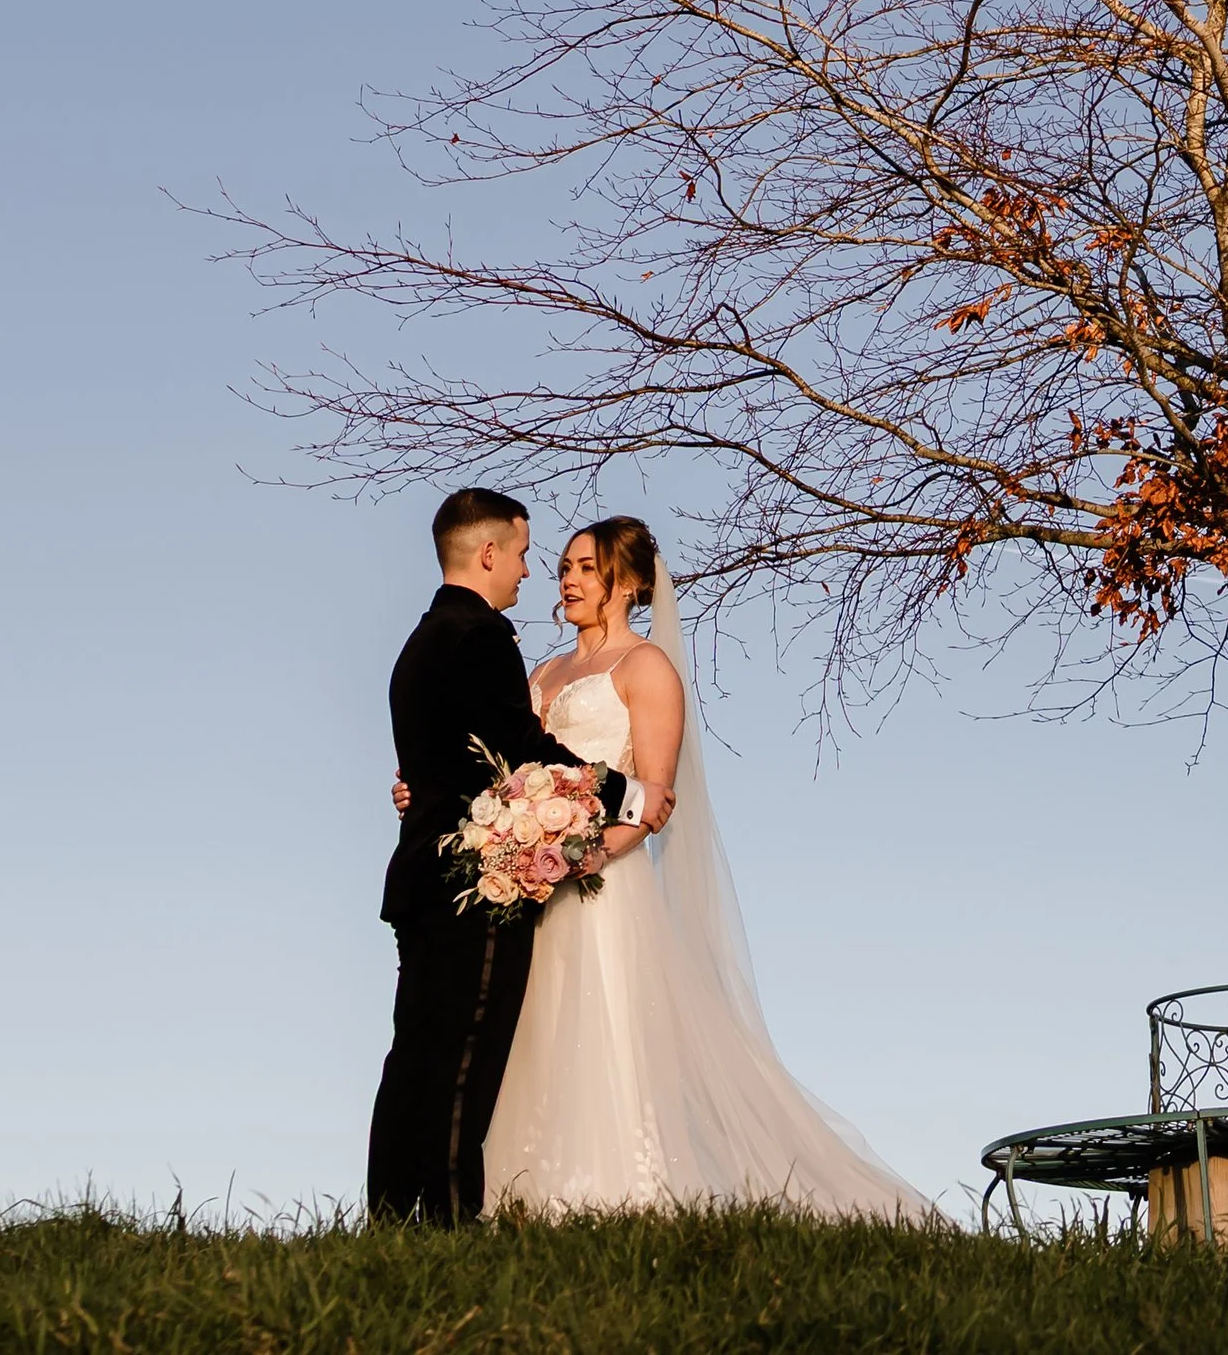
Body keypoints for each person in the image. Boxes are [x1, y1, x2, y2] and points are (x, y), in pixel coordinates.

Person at [478, 514, 928, 1216]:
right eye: (564, 565)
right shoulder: (543, 673)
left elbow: (655, 797)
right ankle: (518, 1198)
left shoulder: (646, 667)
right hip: (535, 884)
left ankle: (620, 1197)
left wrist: (576, 861)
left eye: (585, 567)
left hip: (600, 884)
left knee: (602, 1029)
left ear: (625, 583)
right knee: (532, 1034)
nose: (567, 579)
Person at [367, 487, 605, 1225]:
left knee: (413, 1056)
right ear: (489, 551)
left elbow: (437, 762)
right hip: (475, 883)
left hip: (420, 876)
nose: (530, 573)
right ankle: (445, 1221)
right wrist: (613, 789)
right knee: (465, 1059)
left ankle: (389, 1215)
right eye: (527, 554)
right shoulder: (481, 637)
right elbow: (518, 754)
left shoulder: (420, 641)